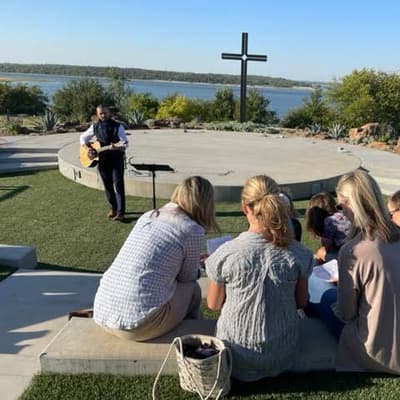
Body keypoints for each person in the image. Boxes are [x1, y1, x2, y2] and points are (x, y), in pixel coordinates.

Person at [205, 175, 314, 381]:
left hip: (235, 353)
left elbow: (213, 304)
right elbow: (301, 302)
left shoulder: (226, 253)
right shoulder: (300, 254)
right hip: (281, 352)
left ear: (244, 207)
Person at [93, 176, 219, 341]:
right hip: (137, 325)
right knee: (193, 289)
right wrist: (198, 264)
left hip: (102, 313)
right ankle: (195, 337)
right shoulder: (191, 229)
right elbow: (187, 277)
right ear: (206, 204)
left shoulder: (149, 215)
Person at [319, 170, 400, 374]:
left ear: (351, 203)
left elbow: (347, 313)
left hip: (376, 352)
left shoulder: (354, 250)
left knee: (325, 297)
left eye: (341, 205)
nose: (341, 211)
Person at [80, 105, 128, 221]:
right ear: (97, 114)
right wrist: (88, 150)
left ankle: (121, 212)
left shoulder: (118, 126)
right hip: (102, 160)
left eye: (105, 113)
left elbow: (124, 143)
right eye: (100, 113)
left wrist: (118, 147)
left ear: (109, 112)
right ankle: (113, 208)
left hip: (116, 159)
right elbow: (82, 138)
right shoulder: (95, 126)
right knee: (107, 186)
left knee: (118, 185)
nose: (103, 115)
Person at [305, 192, 351, 263]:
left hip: (343, 255)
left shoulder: (329, 221)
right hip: (353, 248)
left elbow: (328, 245)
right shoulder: (342, 214)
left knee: (320, 255)